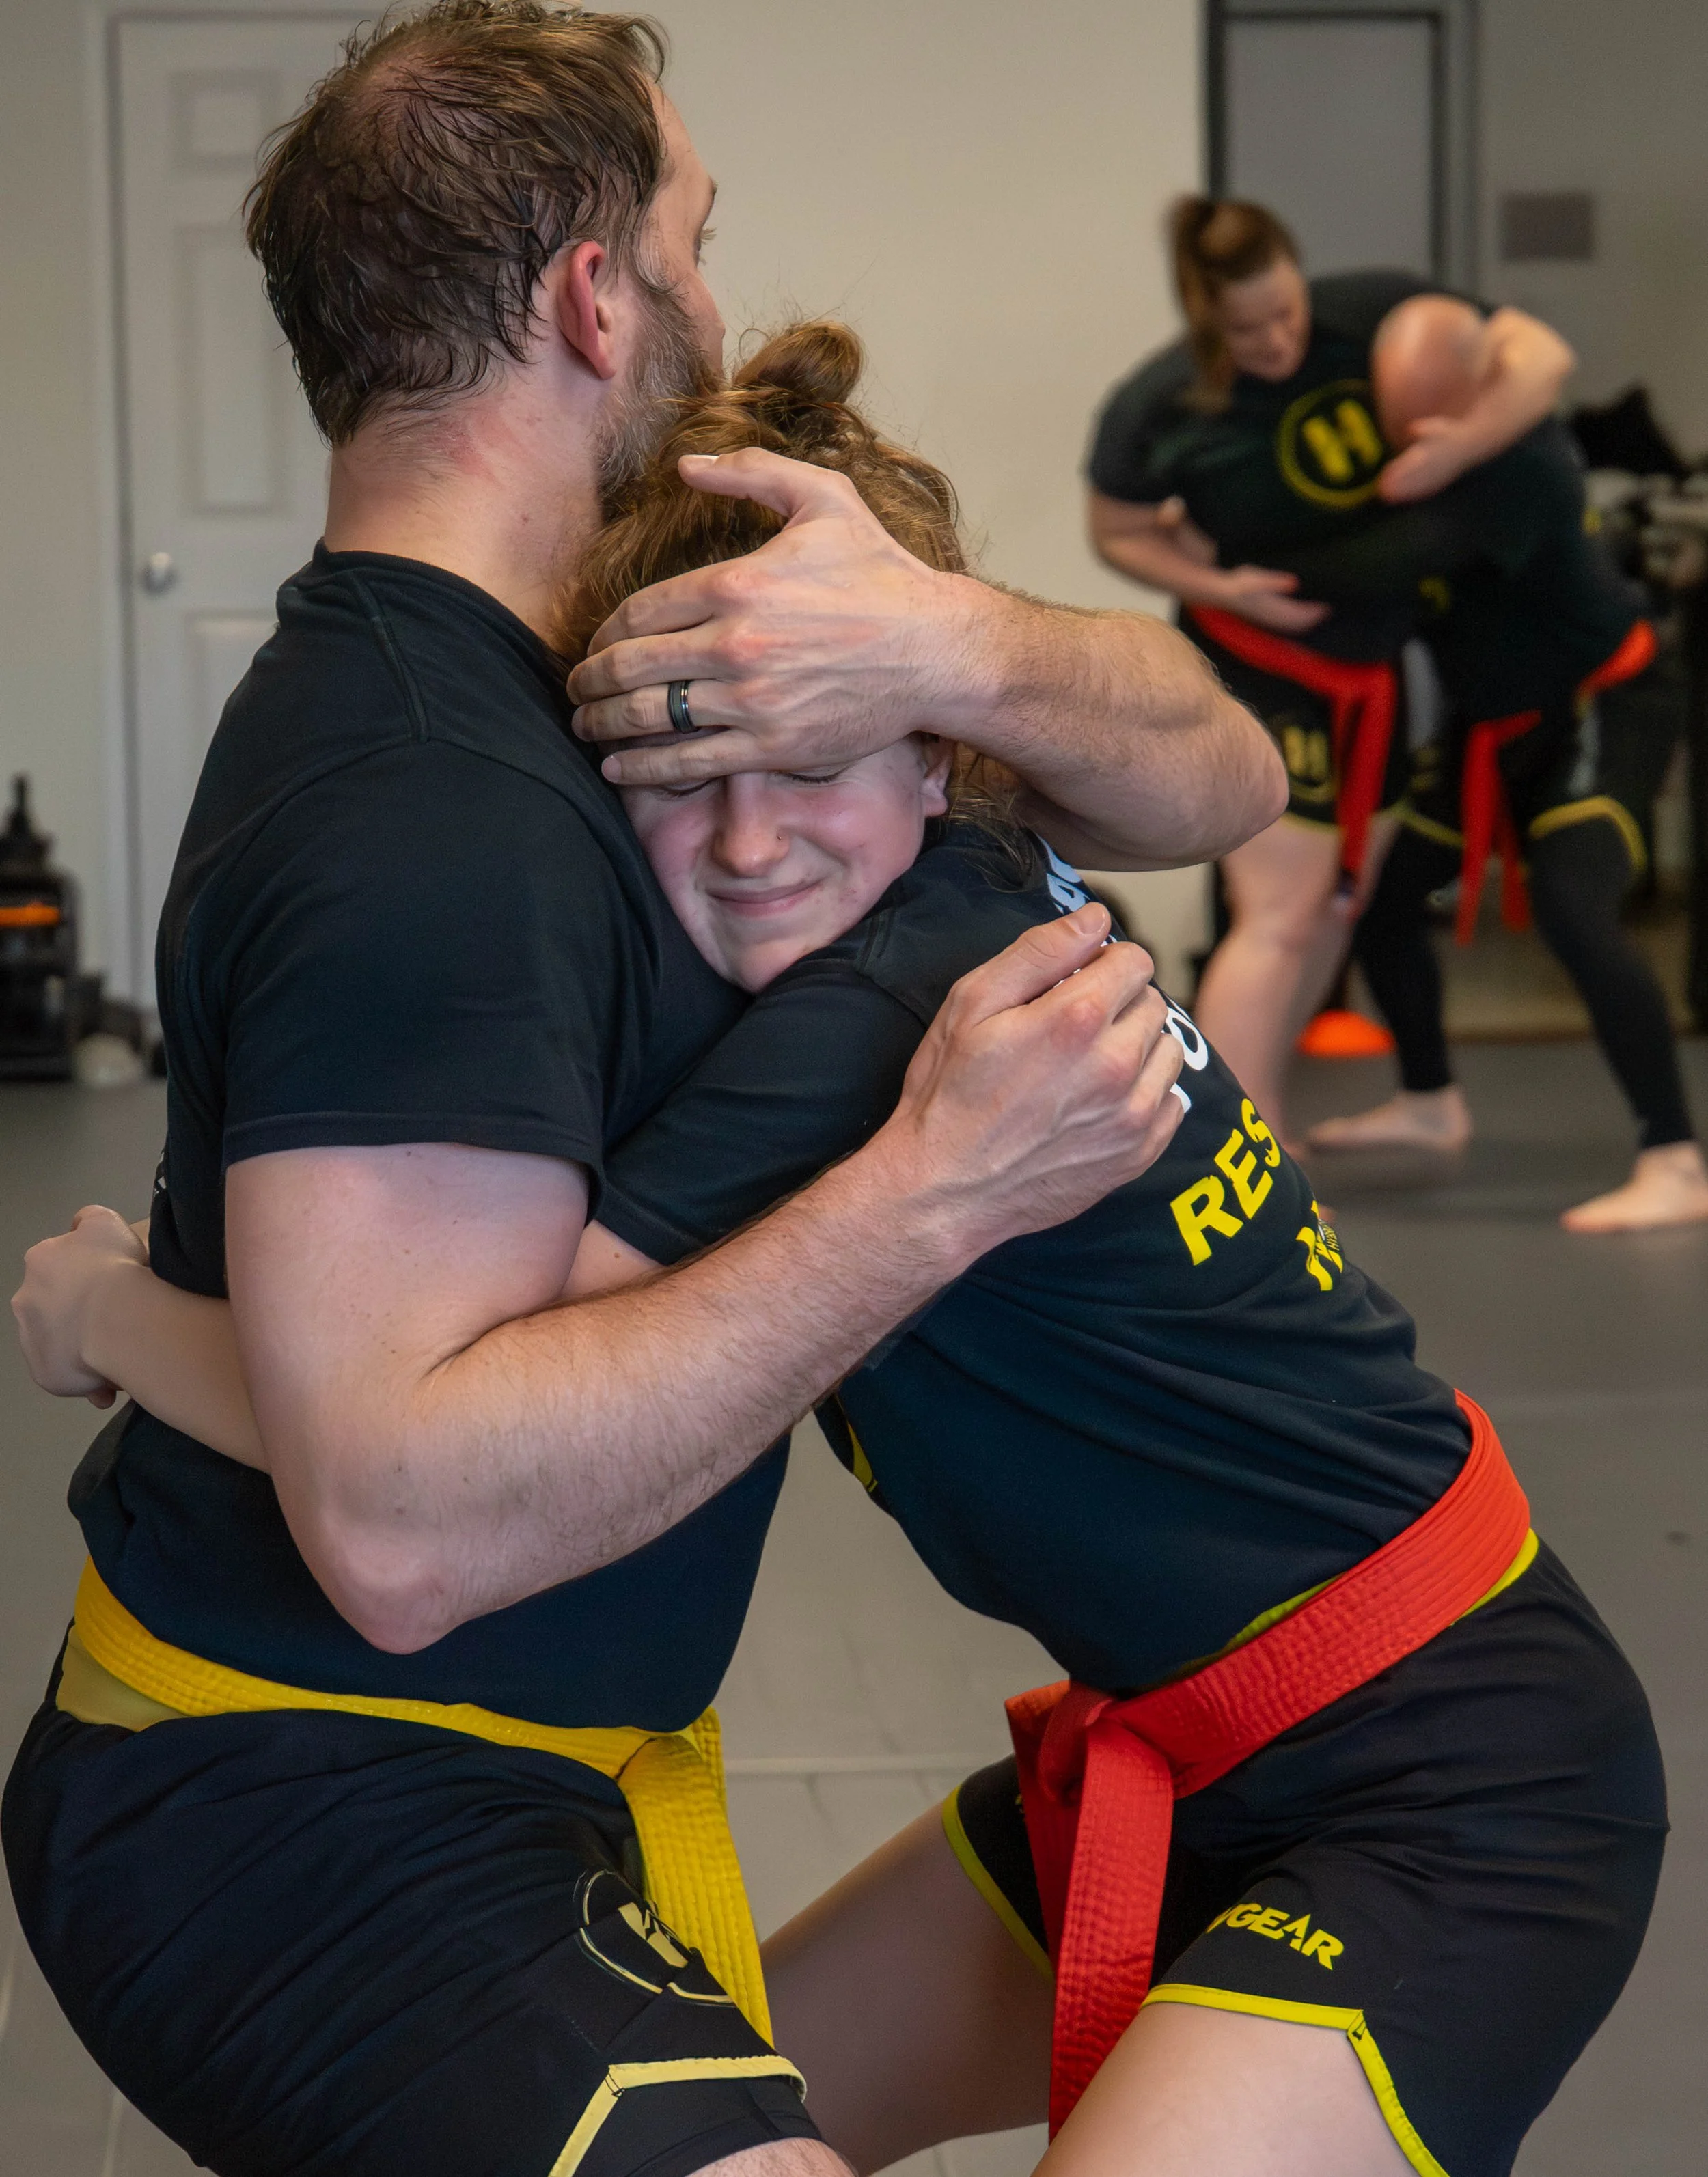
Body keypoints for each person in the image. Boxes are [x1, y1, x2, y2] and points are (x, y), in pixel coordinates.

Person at [20, 322, 1666, 2177]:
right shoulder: (961, 873)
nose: (743, 844)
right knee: (736, 2103)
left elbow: (448, 1429)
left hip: (1459, 1784)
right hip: (1192, 1757)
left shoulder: (869, 1017)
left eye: (810, 762)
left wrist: (109, 1311)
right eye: (673, 772)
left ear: (939, 754)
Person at [3, 13, 1283, 2177]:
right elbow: (404, 1528)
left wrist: (957, 650)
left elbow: (1219, 774)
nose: (714, 291)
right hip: (303, 1803)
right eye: (695, 233)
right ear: (599, 294)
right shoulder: (431, 802)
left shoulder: (638, 673)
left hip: (524, 1767)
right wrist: (928, 1197)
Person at [1087, 197, 1575, 1139]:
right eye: (1248, 328)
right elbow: (1116, 531)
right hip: (1259, 662)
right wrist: (1224, 586)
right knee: (1276, 911)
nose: (1275, 339)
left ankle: (1262, 1142)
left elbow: (1543, 359)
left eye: (1287, 315)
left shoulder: (1372, 313)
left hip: (1372, 671)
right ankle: (1230, 1153)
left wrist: (1461, 448)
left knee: (1331, 910)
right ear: (1205, 320)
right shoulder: (1162, 400)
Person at [1295, 299, 1708, 1232]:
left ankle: (1675, 1158)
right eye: (1397, 421)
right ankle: (1431, 1099)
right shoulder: (1418, 463)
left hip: (1600, 705)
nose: (1408, 441)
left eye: (1427, 421)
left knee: (1573, 902)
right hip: (1493, 727)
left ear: (1473, 401)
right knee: (1384, 898)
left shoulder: (1524, 469)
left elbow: (1374, 565)